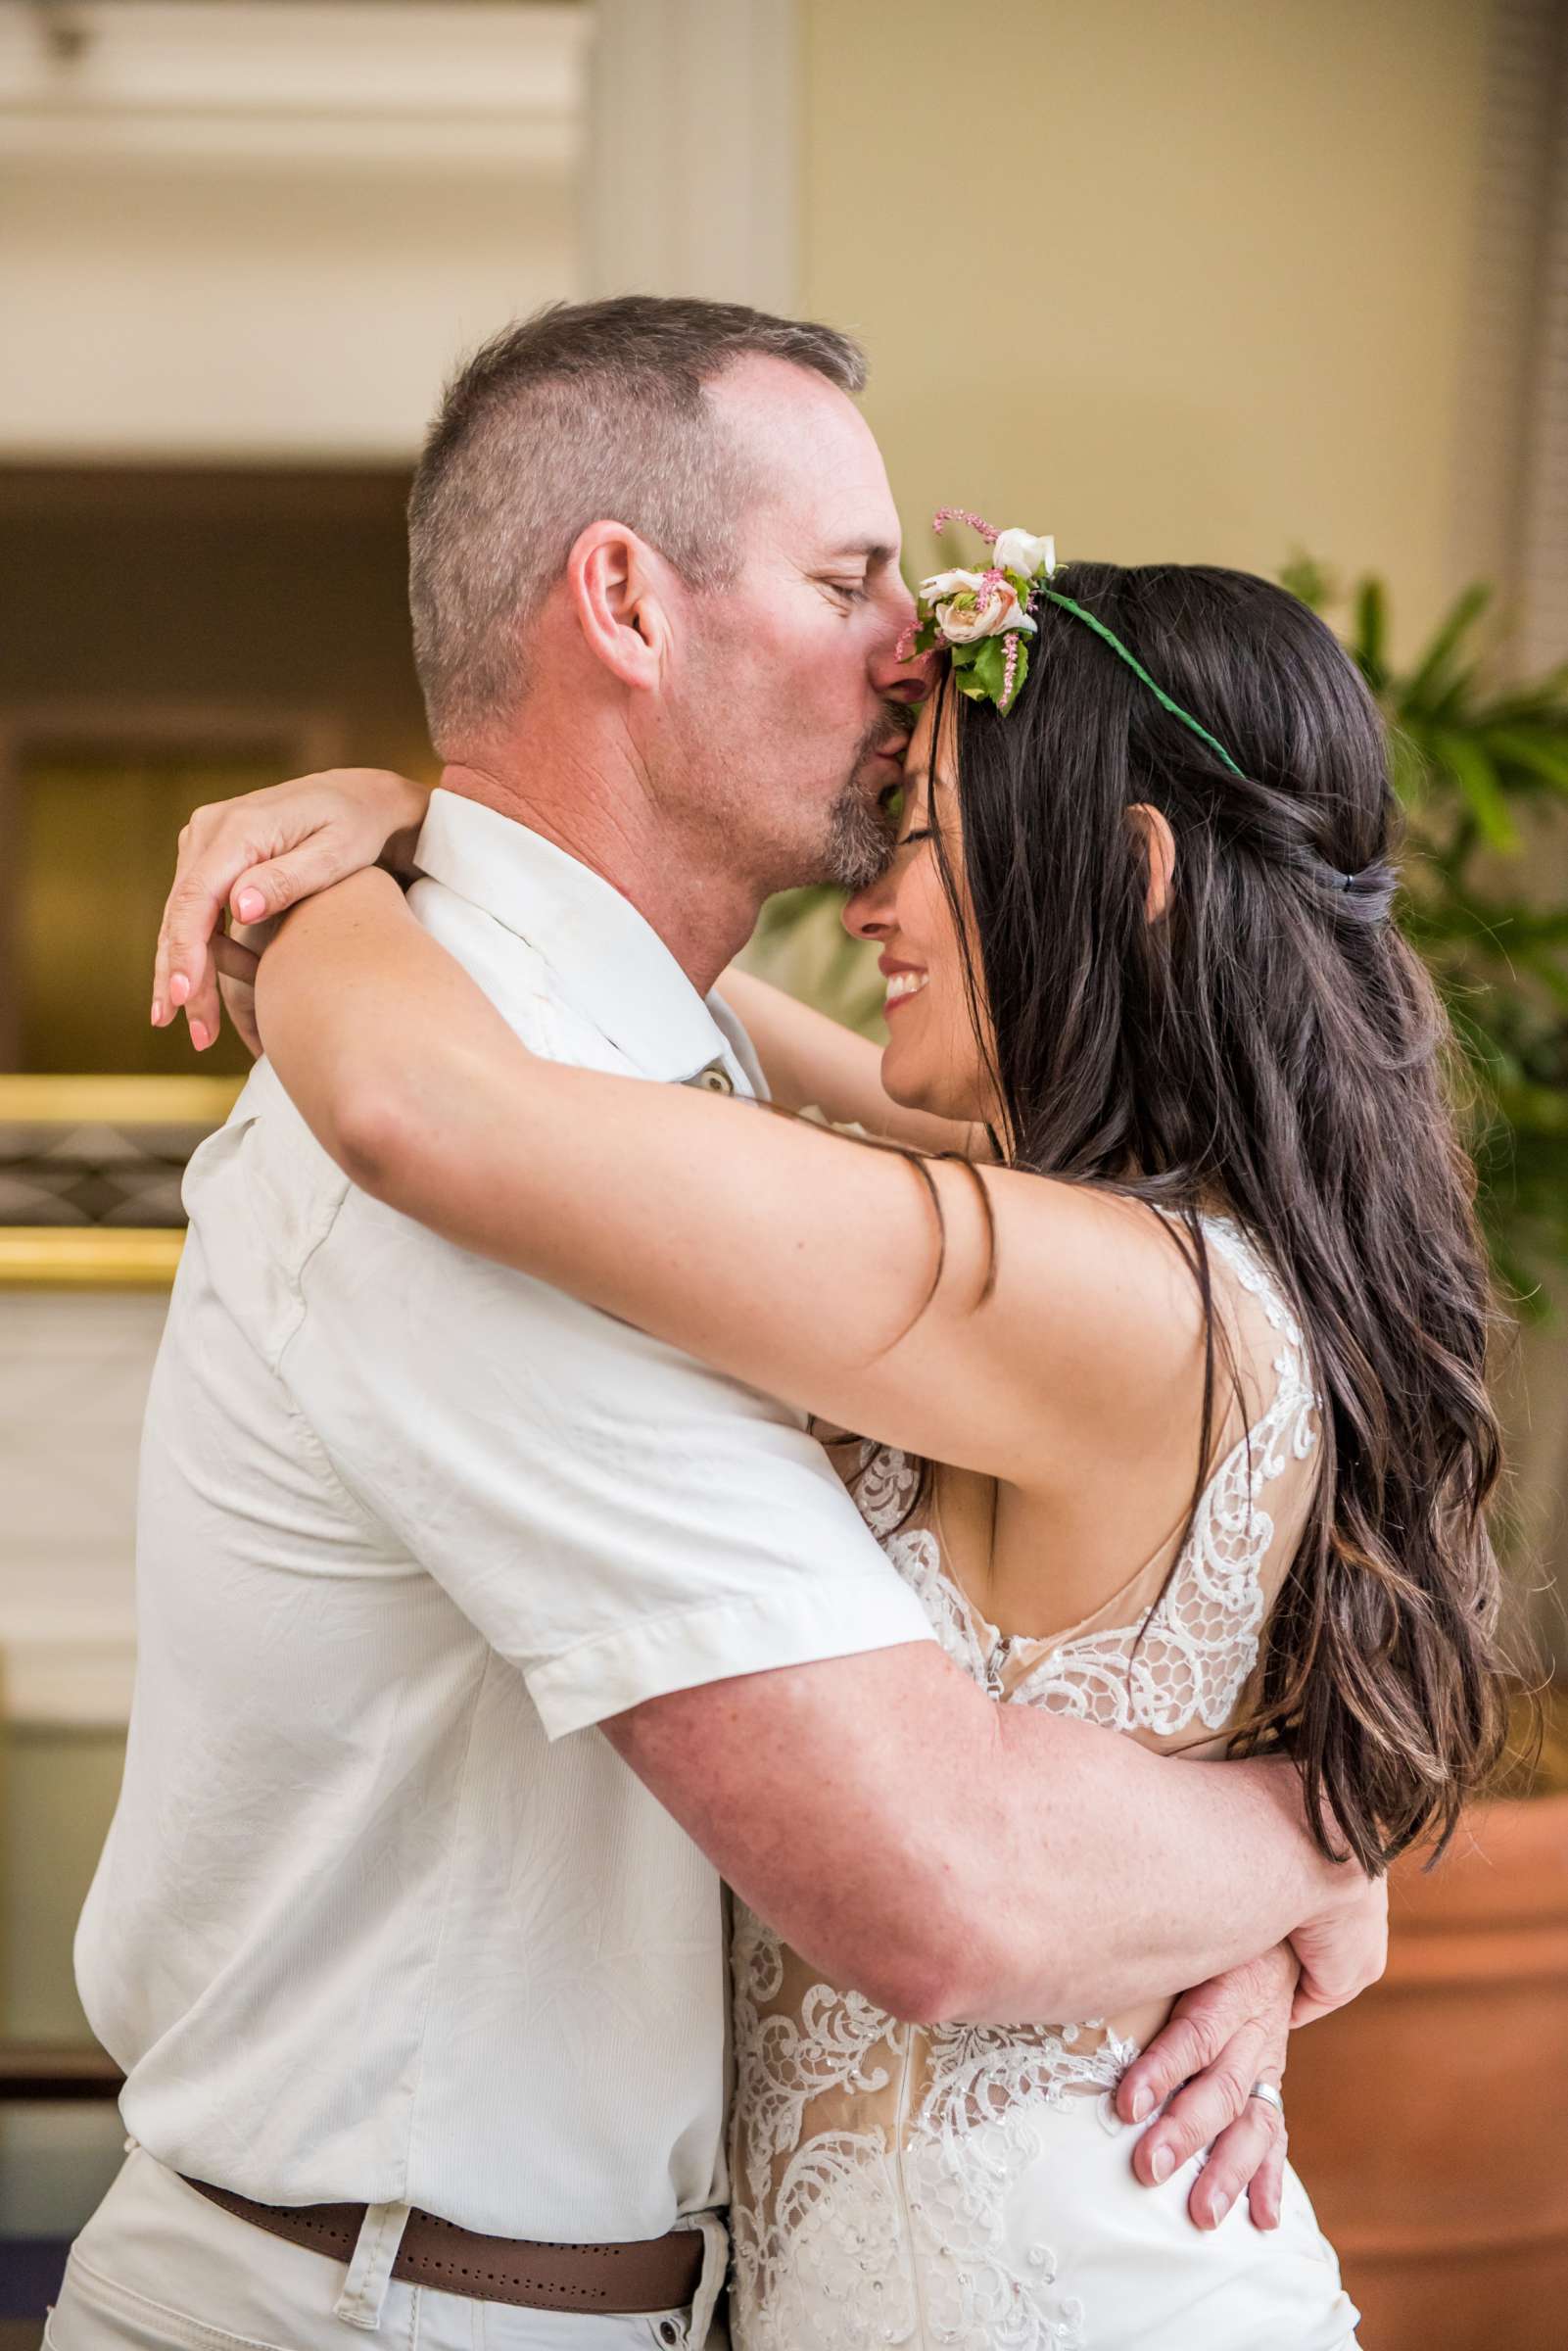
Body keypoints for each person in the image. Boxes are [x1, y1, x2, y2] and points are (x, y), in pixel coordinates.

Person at [58, 301, 1394, 2351]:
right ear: (623, 601)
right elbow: (942, 1883)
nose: (907, 647)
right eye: (850, 581)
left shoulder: (680, 1134)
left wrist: (355, 867)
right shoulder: (526, 1146)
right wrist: (1313, 1836)